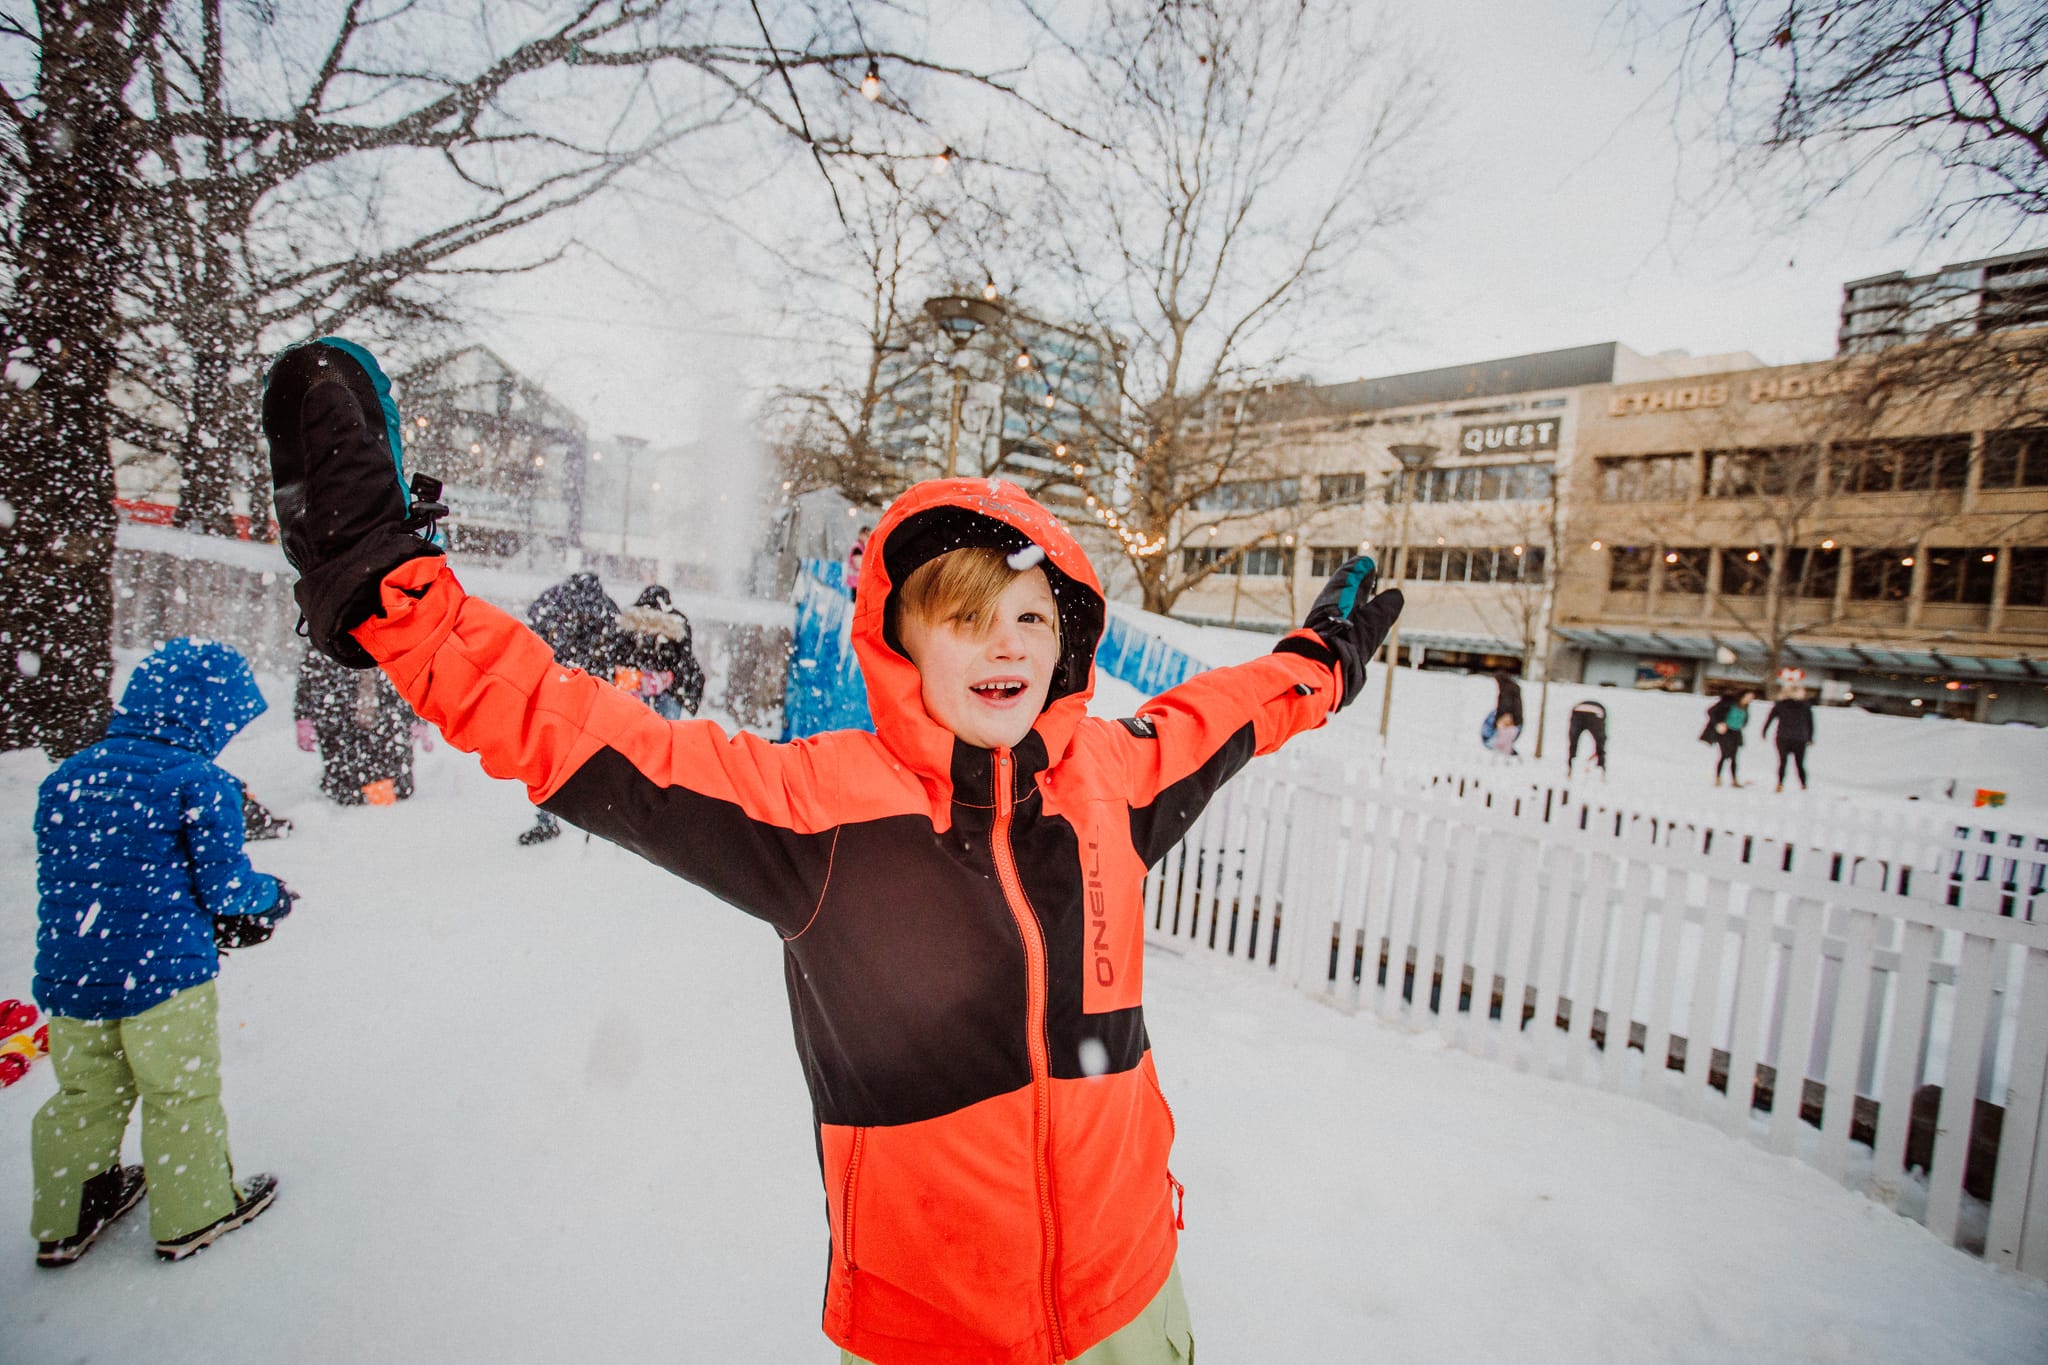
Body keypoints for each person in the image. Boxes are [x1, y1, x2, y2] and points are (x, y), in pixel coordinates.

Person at [262, 337, 1405, 1365]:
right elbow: (580, 731)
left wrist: (1321, 661)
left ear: (1067, 646)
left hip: (1130, 1299)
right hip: (935, 1335)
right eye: (962, 616)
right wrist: (395, 599)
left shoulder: (1109, 781)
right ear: (899, 640)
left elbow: (1226, 714)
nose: (1002, 645)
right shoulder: (816, 812)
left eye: (1029, 618)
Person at [29, 638, 289, 1267]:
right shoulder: (199, 781)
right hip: (164, 978)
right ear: (207, 715)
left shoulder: (69, 774)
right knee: (179, 1093)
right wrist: (272, 898)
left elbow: (71, 874)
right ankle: (194, 1212)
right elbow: (226, 886)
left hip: (73, 977)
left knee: (84, 1095)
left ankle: (68, 1216)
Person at [517, 569, 620, 844]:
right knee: (588, 753)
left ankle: (547, 818)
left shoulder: (555, 599)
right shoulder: (605, 605)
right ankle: (596, 815)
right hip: (589, 692)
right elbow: (614, 645)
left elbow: (533, 624)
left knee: (549, 754)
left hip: (554, 686)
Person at [295, 641, 421, 805]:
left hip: (388, 720)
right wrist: (303, 715)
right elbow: (309, 675)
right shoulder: (328, 638)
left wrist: (416, 717)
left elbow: (411, 676)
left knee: (395, 785)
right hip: (338, 719)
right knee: (346, 789)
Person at [613, 585, 706, 720]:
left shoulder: (628, 623)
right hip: (670, 687)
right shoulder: (677, 625)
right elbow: (684, 659)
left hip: (633, 683)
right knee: (668, 730)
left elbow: (621, 654)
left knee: (632, 726)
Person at [1762, 686, 1817, 792]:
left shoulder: (1805, 706)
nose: (1803, 694)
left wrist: (1810, 737)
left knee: (1799, 763)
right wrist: (1764, 731)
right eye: (1801, 691)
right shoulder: (1781, 705)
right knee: (1783, 762)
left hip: (1799, 739)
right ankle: (1780, 784)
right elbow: (1770, 718)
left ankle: (1803, 784)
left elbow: (1810, 723)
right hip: (1785, 738)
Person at [1701, 688, 1757, 787]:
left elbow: (1744, 719)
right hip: (1725, 731)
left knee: (1734, 757)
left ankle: (1734, 780)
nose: (1750, 699)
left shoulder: (1746, 707)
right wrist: (1718, 724)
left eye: (1751, 698)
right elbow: (1711, 711)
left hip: (1736, 732)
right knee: (1724, 755)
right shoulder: (1729, 702)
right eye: (1748, 697)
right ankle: (1718, 778)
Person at [1565, 698, 1608, 778]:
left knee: (1573, 743)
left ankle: (1570, 767)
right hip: (1596, 712)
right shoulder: (1601, 711)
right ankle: (1601, 768)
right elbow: (1603, 734)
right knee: (1600, 744)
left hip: (1578, 710)